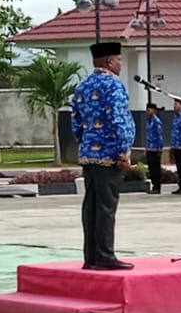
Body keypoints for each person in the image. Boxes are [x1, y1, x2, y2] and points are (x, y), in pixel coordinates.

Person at [70, 41, 136, 270]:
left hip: (89, 153)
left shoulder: (84, 86)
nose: (120, 64)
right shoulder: (113, 85)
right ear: (109, 61)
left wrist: (86, 142)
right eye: (118, 60)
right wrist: (123, 151)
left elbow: (76, 122)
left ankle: (91, 257)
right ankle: (106, 255)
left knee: (91, 206)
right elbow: (118, 119)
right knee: (107, 207)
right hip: (109, 153)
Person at [144, 102, 165, 194]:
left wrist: (160, 148)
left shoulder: (156, 121)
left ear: (154, 111)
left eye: (149, 110)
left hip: (155, 148)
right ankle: (154, 185)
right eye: (147, 110)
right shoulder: (148, 121)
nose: (147, 112)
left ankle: (157, 186)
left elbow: (159, 135)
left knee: (156, 168)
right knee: (151, 168)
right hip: (149, 147)